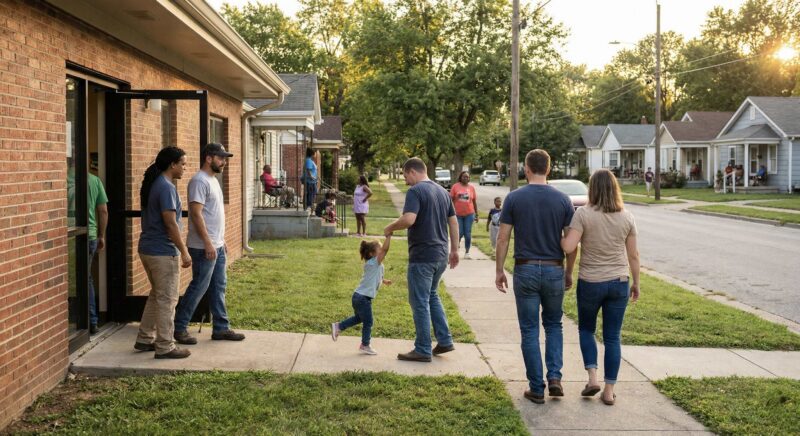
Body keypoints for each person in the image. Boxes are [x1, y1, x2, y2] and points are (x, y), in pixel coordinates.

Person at [495, 149, 576, 404]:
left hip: (525, 268)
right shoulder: (563, 200)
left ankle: (536, 388)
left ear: (527, 169)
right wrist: (569, 271)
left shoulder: (514, 198)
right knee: (553, 325)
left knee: (529, 329)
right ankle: (554, 378)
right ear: (548, 169)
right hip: (554, 268)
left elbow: (503, 237)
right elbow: (572, 243)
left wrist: (499, 270)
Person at [560, 168, 640, 406]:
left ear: (592, 188)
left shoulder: (583, 214)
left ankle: (592, 378)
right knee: (613, 337)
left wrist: (560, 236)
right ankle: (608, 390)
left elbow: (568, 247)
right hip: (619, 282)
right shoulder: (627, 216)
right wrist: (636, 282)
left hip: (591, 282)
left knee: (587, 330)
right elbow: (633, 255)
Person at [384, 157, 459, 362]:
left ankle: (423, 349)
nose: (406, 181)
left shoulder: (416, 191)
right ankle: (444, 341)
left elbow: (409, 219)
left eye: (405, 176)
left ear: (412, 172)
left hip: (423, 256)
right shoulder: (443, 192)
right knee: (432, 296)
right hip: (441, 255)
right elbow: (453, 221)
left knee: (420, 301)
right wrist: (455, 249)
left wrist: (389, 228)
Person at [173, 143, 246, 346]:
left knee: (218, 286)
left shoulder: (213, 180)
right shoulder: (199, 181)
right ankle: (179, 327)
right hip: (203, 246)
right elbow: (196, 214)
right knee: (199, 286)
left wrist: (220, 243)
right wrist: (208, 243)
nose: (224, 162)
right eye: (221, 158)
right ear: (208, 158)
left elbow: (212, 215)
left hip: (216, 245)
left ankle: (221, 328)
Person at [135, 147, 192, 359]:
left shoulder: (155, 184)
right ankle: (165, 346)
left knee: (156, 295)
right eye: (183, 164)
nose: (185, 168)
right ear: (172, 165)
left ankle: (144, 338)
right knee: (168, 299)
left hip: (147, 249)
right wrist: (184, 251)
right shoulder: (166, 187)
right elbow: (170, 223)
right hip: (162, 252)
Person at [331, 236, 393, 355]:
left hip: (358, 297)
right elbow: (385, 250)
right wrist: (388, 236)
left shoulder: (373, 264)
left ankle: (338, 326)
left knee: (359, 318)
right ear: (372, 254)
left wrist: (384, 281)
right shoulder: (375, 262)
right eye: (379, 249)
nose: (381, 251)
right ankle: (365, 344)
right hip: (363, 298)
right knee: (368, 322)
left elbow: (375, 276)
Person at [87, 172, 108, 334]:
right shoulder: (94, 180)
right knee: (86, 278)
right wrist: (101, 235)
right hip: (90, 234)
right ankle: (91, 320)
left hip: (67, 232)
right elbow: (103, 211)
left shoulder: (63, 178)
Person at [450, 171, 478, 259]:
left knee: (468, 233)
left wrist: (476, 214)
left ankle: (467, 252)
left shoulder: (471, 188)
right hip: (457, 214)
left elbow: (474, 202)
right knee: (460, 232)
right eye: (464, 177)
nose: (466, 178)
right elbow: (450, 200)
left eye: (467, 177)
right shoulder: (455, 186)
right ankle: (455, 250)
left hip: (469, 214)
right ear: (460, 177)